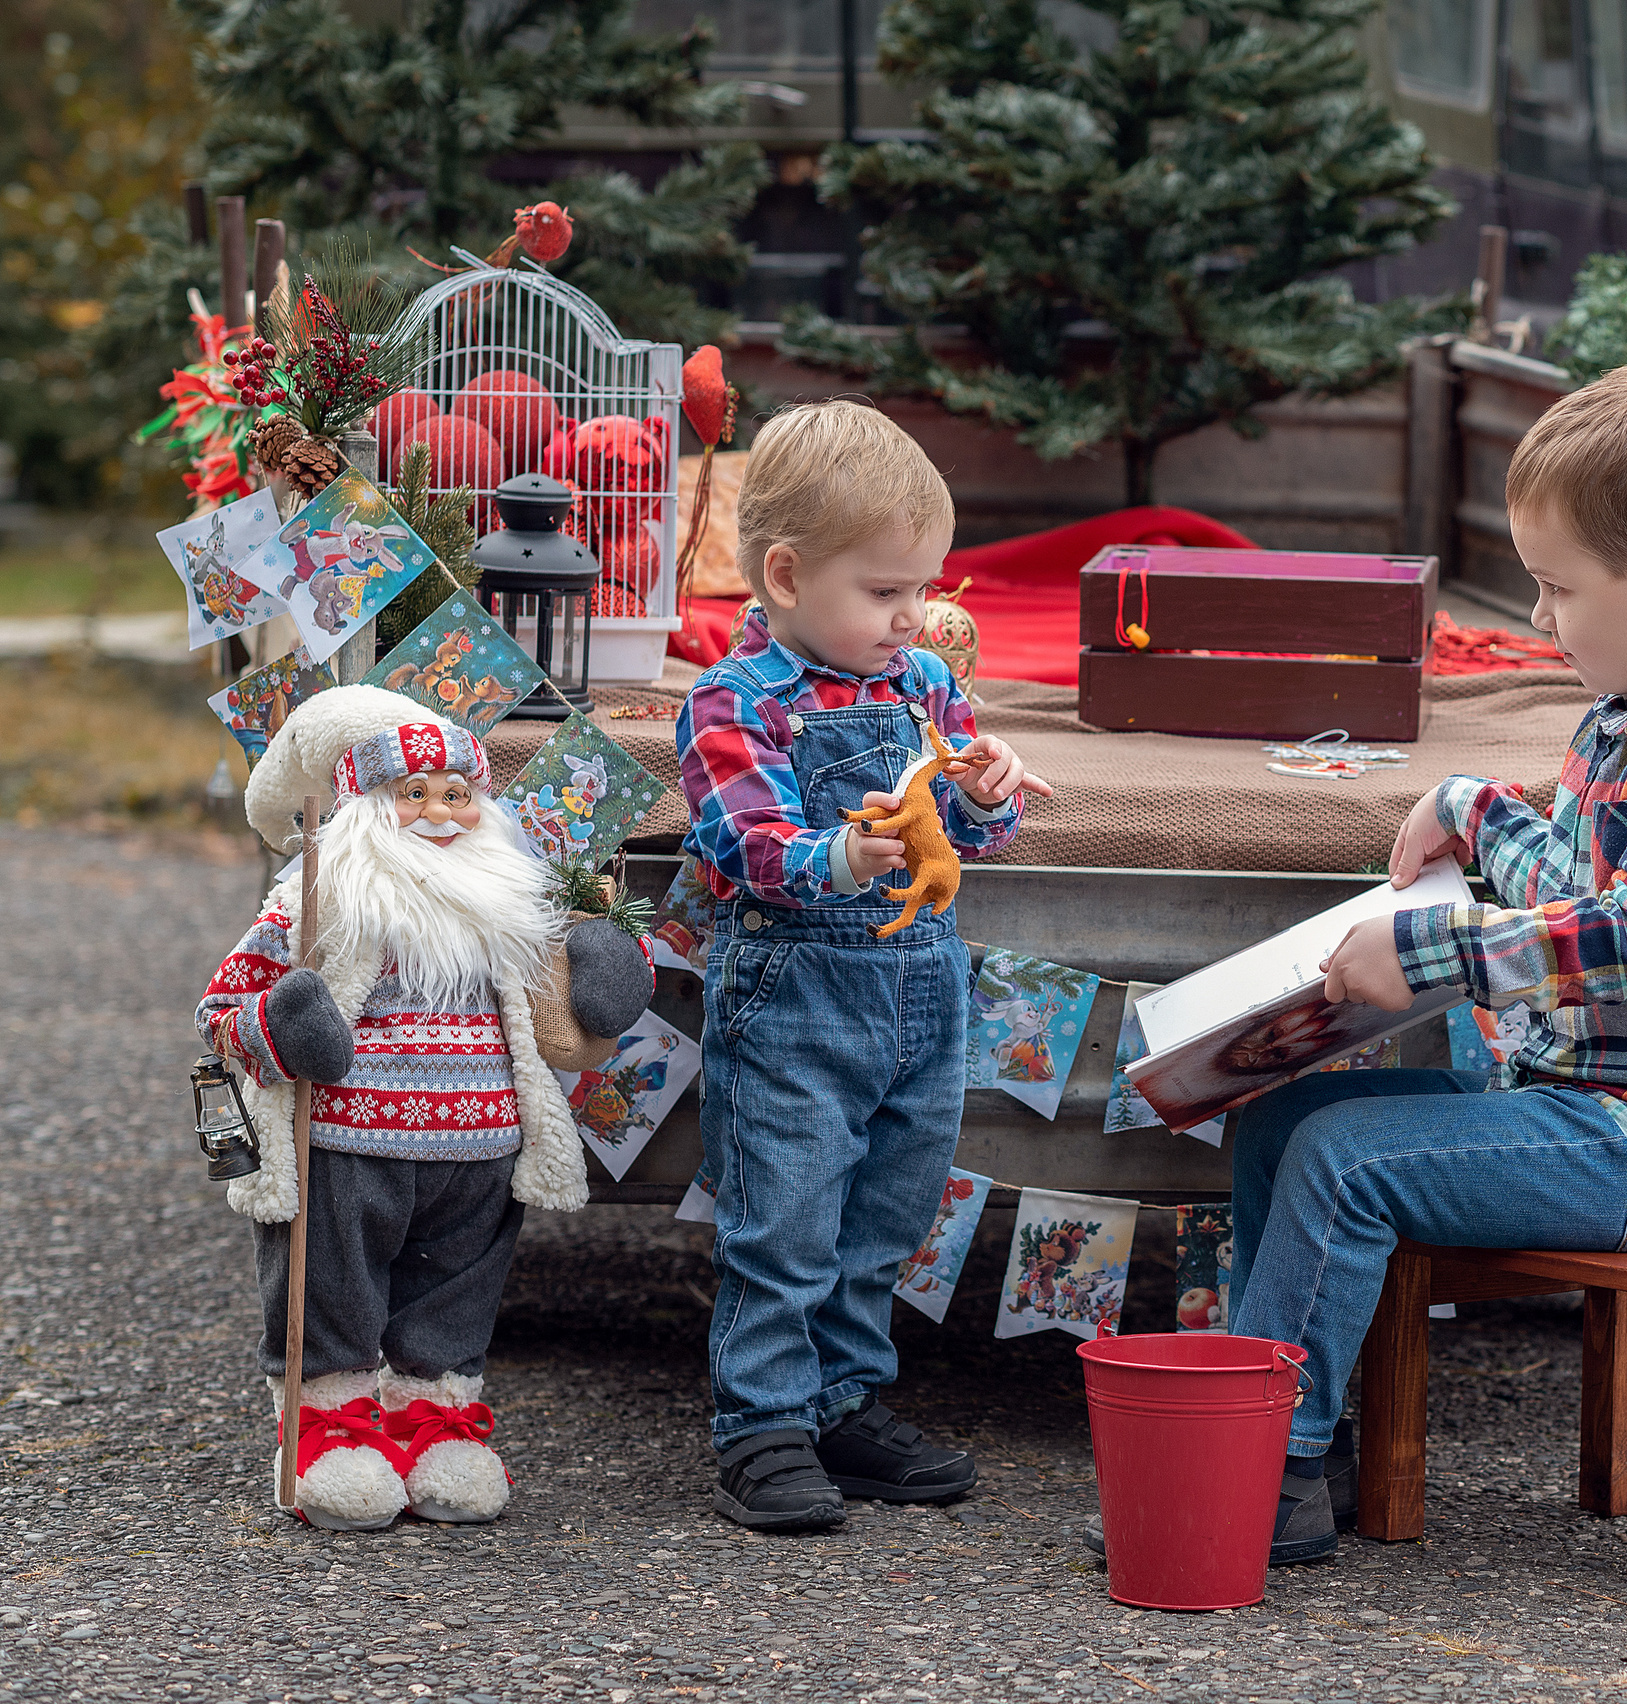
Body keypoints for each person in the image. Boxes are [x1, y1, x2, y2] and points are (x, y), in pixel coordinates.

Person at [1233, 363, 1627, 1563]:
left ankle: (1265, 1472)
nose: (1539, 623)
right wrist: (1467, 804)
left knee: (1345, 1159)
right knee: (1280, 1124)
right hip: (1572, 1114)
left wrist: (1433, 948)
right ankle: (1305, 1434)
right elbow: (1570, 882)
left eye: (1555, 590)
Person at [677, 400, 1053, 1532]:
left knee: (886, 1219)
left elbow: (968, 841)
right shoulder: (736, 702)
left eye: (923, 588)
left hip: (922, 996)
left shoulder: (924, 688)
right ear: (786, 575)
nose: (913, 615)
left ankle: (844, 1405)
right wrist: (836, 855)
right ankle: (762, 1428)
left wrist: (986, 801)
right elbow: (741, 847)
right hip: (797, 995)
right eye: (886, 592)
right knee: (784, 1219)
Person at [199, 687, 658, 1530]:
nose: (440, 812)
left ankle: (435, 1422)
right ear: (368, 807)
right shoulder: (318, 897)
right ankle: (328, 1431)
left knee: (454, 1295)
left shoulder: (507, 906)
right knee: (333, 1289)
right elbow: (220, 1012)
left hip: (481, 1148)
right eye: (414, 795)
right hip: (344, 1142)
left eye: (458, 795)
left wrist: (601, 986)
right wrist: (283, 1028)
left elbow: (556, 1032)